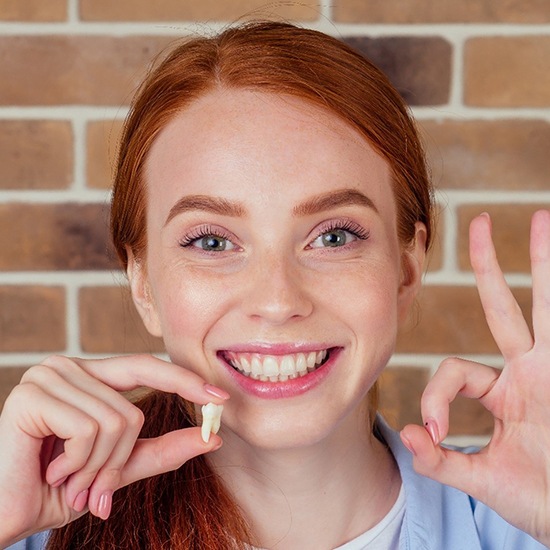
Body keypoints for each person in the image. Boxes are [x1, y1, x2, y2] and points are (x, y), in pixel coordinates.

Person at [0, 20, 548, 550]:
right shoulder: (30, 531)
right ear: (142, 283)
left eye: (334, 236)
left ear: (407, 269)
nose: (278, 301)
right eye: (212, 242)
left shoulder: (526, 517)